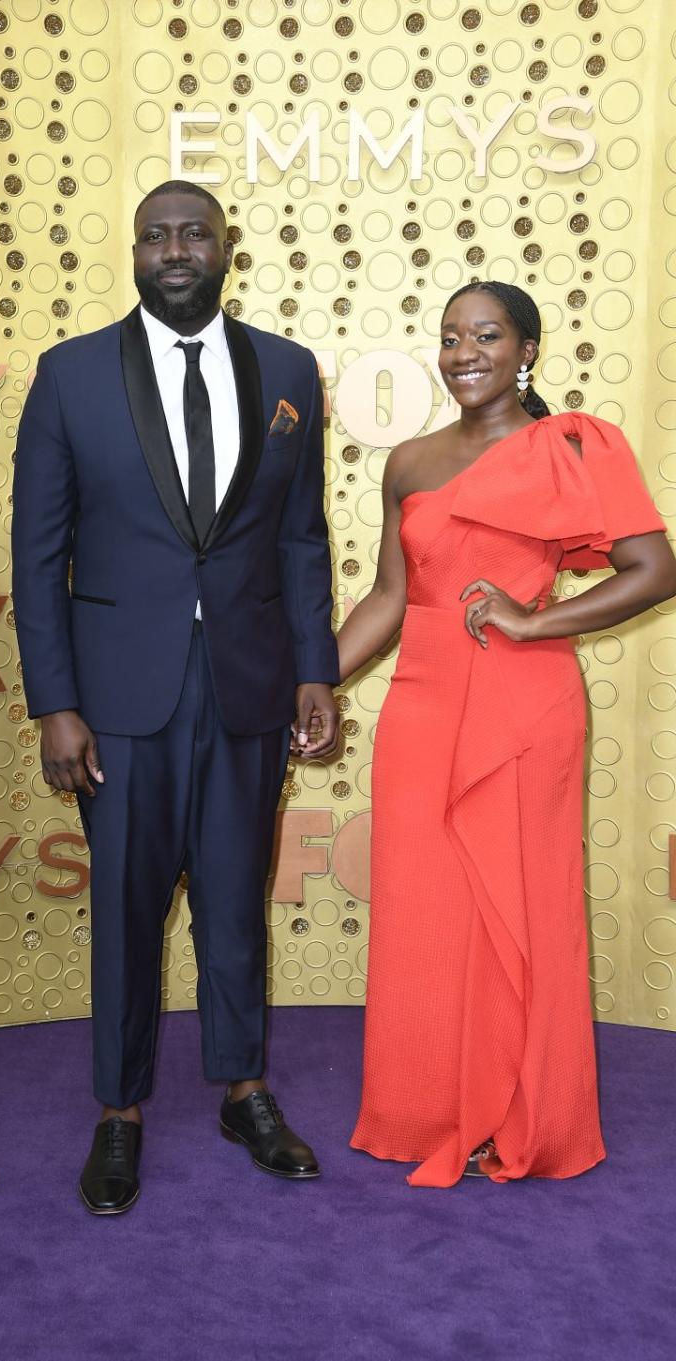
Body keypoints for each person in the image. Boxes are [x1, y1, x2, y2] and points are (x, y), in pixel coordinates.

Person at [12, 180, 339, 1214]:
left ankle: (245, 1089)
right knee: (124, 909)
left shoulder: (287, 371)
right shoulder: (68, 376)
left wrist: (315, 665)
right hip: (117, 697)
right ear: (135, 253)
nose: (174, 248)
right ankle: (120, 1111)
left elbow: (299, 537)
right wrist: (54, 701)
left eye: (192, 231)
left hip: (246, 683)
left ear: (226, 246)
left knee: (238, 901)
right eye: (154, 234)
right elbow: (37, 552)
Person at [337, 281, 676, 1187]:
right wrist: (310, 683)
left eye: (486, 335)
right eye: (450, 337)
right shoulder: (408, 460)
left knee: (521, 909)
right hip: (422, 704)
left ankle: (525, 1112)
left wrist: (534, 622)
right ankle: (426, 1110)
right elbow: (390, 598)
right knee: (428, 911)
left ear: (528, 347)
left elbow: (654, 568)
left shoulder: (572, 446)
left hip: (524, 705)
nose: (464, 353)